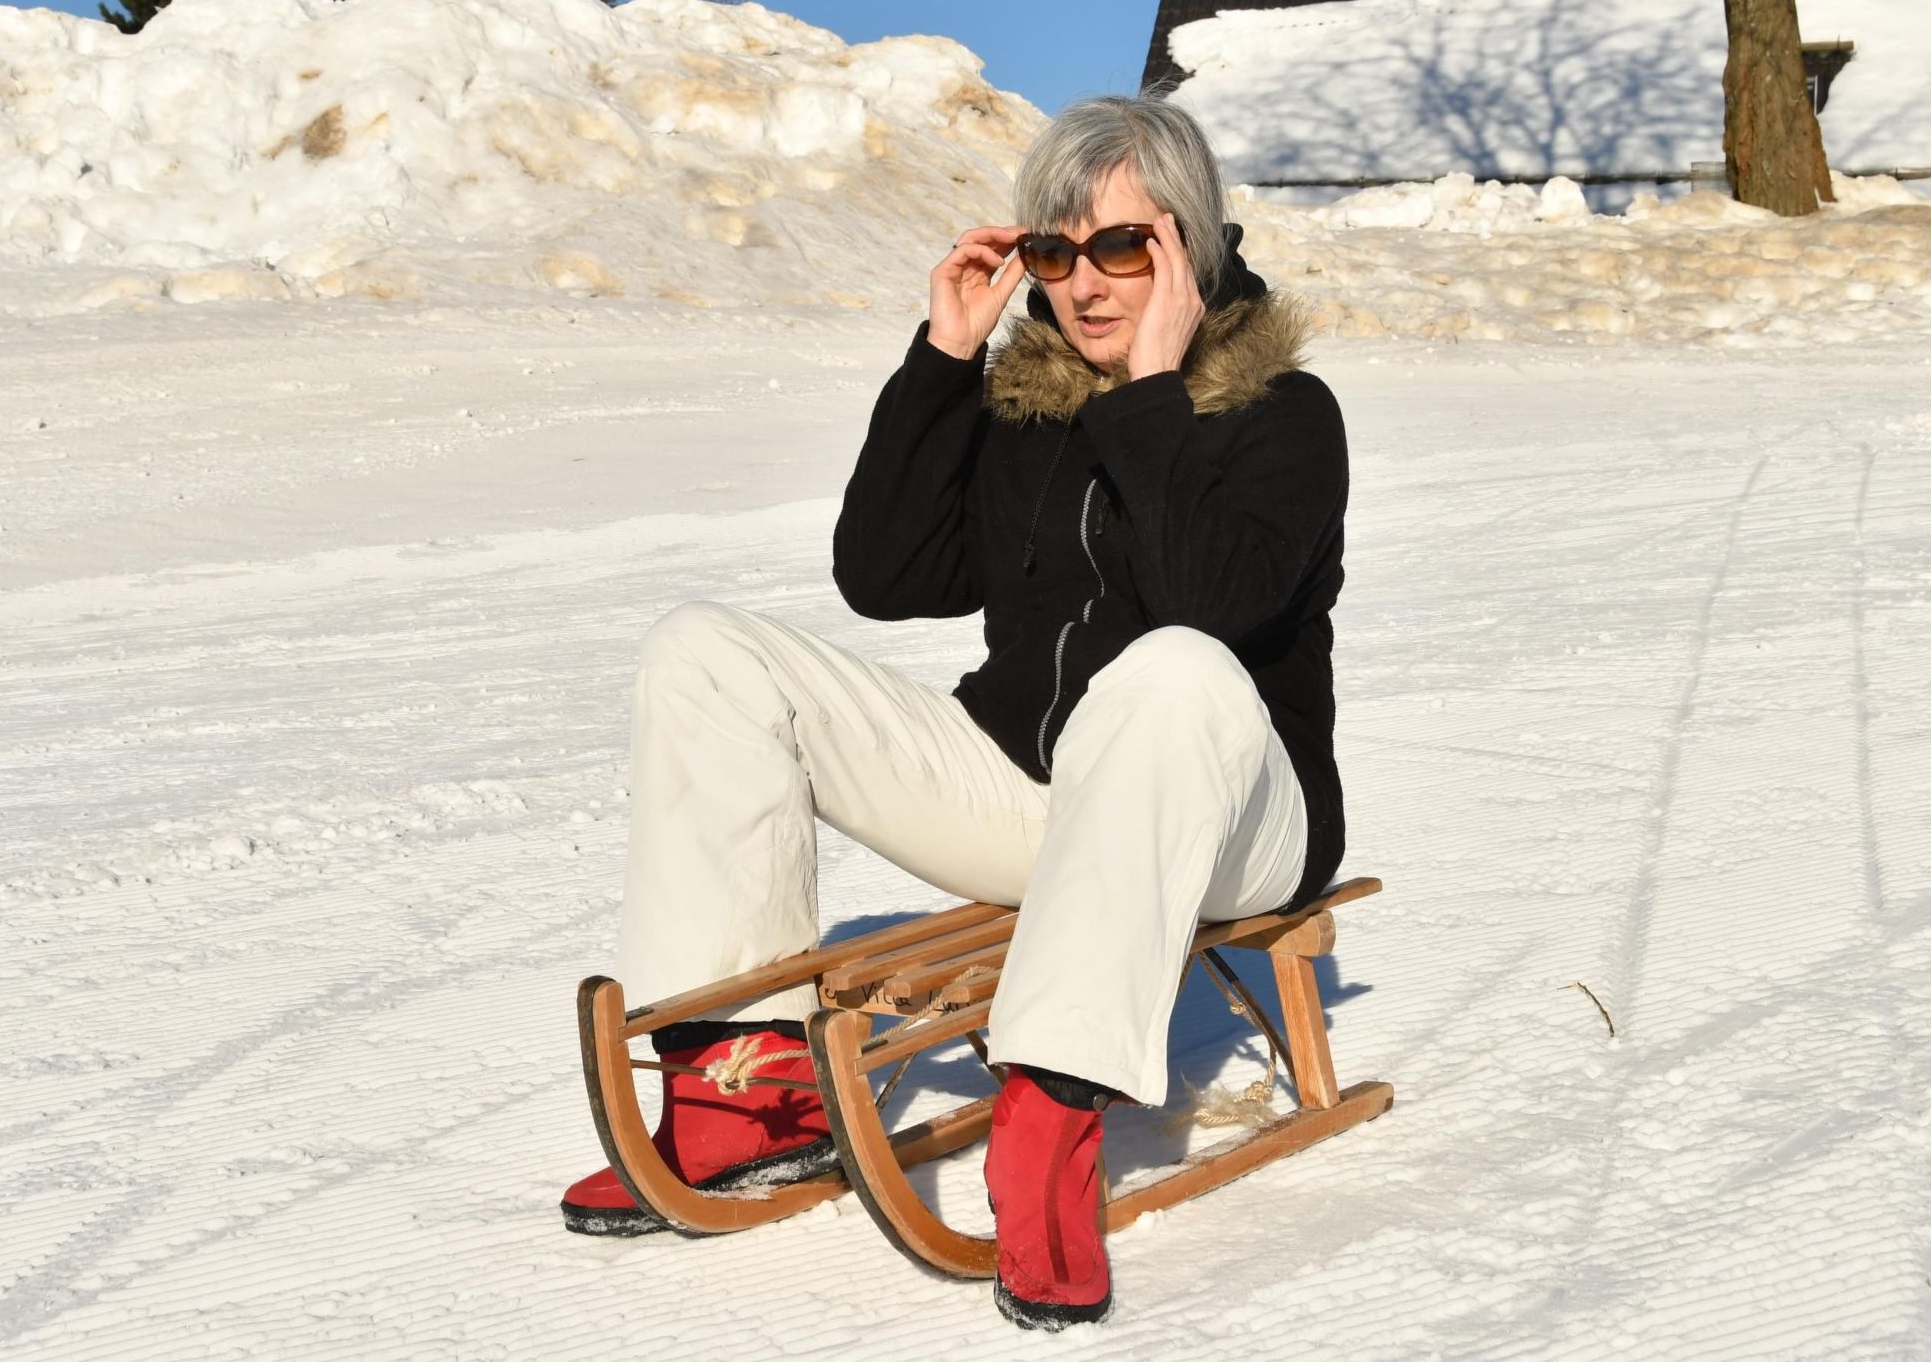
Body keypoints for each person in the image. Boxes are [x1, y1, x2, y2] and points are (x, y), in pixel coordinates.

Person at [560, 93, 1348, 1331]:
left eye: (1121, 246)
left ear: (1188, 245)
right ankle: (743, 1092)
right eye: (1053, 251)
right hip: (1028, 795)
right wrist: (942, 362)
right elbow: (886, 576)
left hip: (1233, 823)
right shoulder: (1031, 407)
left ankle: (1050, 1126)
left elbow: (1211, 604)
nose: (1082, 284)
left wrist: (1150, 392)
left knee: (1175, 667)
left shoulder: (1283, 415)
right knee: (704, 653)